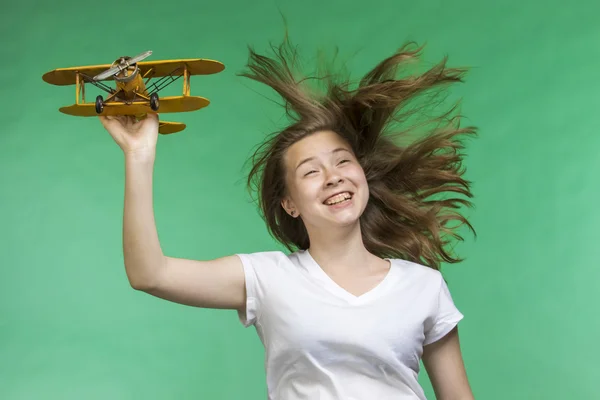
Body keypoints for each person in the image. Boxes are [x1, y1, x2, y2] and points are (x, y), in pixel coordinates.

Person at [99, 37, 476, 400]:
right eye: (311, 172)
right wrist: (139, 155)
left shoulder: (424, 286)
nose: (334, 176)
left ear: (362, 175)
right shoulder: (267, 278)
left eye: (343, 161)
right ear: (289, 204)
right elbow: (149, 274)